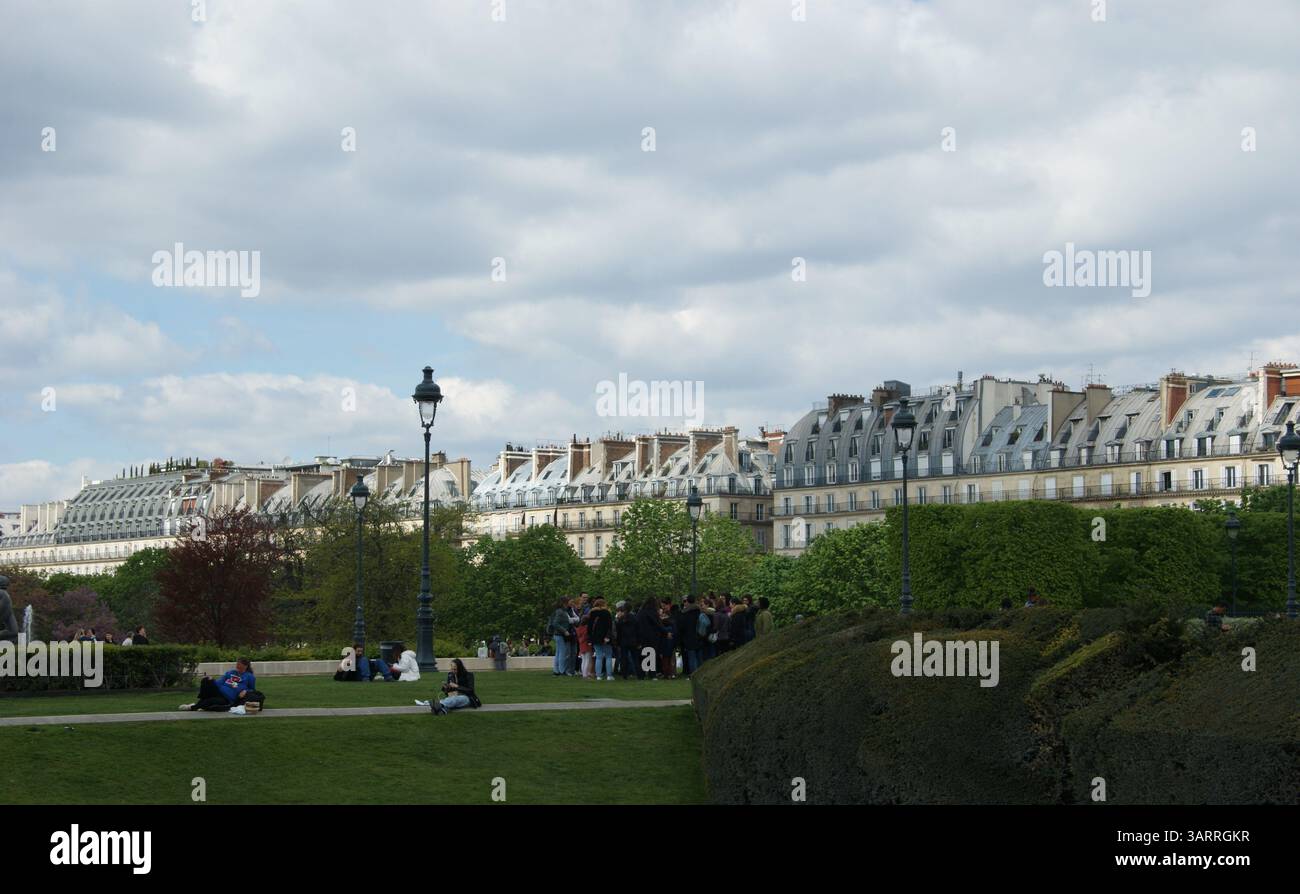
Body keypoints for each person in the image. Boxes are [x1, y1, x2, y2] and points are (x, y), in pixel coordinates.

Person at [181, 658, 260, 712]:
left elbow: (252, 690)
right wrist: (211, 680)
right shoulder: (230, 672)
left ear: (245, 666)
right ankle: (200, 703)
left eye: (239, 664)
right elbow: (219, 682)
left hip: (227, 698)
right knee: (206, 680)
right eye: (237, 664)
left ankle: (192, 707)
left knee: (211, 701)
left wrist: (245, 691)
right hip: (219, 691)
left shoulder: (250, 676)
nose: (237, 666)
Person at [635, 597, 665, 680]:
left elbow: (636, 624)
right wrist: (665, 632)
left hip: (642, 637)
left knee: (642, 655)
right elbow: (658, 624)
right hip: (652, 637)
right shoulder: (653, 612)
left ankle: (641, 674)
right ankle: (652, 674)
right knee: (651, 655)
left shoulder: (640, 612)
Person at [587, 597, 614, 681]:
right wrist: (608, 636)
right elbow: (610, 626)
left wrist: (590, 639)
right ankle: (609, 675)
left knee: (598, 656)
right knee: (608, 656)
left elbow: (589, 627)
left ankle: (598, 675)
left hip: (595, 637)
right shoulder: (607, 613)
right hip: (605, 637)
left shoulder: (592, 613)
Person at [679, 595, 704, 675]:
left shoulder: (684, 613)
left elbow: (682, 627)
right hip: (699, 636)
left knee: (692, 658)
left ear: (688, 602)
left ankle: (694, 675)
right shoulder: (700, 611)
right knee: (699, 657)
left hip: (689, 637)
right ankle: (701, 674)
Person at [549, 597, 575, 676]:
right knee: (562, 653)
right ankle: (561, 670)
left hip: (558, 635)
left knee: (559, 653)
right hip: (560, 635)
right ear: (565, 603)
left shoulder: (561, 611)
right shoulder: (561, 612)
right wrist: (564, 631)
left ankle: (556, 670)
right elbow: (555, 623)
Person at [614, 601, 638, 679]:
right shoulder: (634, 617)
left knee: (624, 658)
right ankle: (638, 673)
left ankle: (624, 674)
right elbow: (637, 629)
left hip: (623, 640)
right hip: (633, 640)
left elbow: (618, 630)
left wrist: (618, 641)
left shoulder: (621, 619)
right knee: (635, 658)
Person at [0, 577, 20, 644]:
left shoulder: (3, 593)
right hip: (6, 613)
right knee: (13, 632)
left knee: (14, 632)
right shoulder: (2, 593)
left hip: (8, 613)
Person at [576, 612, 594, 679]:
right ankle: (585, 675)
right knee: (587, 659)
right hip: (587, 644)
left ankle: (584, 674)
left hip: (581, 644)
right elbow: (587, 636)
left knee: (583, 660)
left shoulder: (579, 628)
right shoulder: (587, 628)